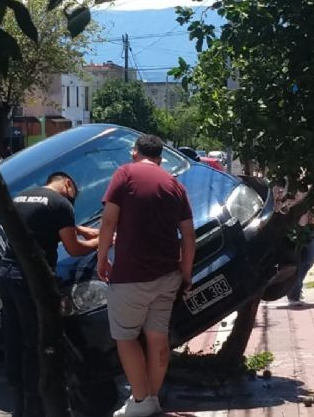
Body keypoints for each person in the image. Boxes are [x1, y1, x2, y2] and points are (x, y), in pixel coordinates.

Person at [97, 135, 196, 417]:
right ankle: (150, 399)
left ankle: (141, 402)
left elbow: (108, 220)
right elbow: (188, 236)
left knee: (126, 338)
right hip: (167, 276)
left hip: (130, 275)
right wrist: (185, 274)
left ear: (134, 153)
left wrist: (102, 259)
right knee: (157, 338)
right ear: (160, 158)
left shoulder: (125, 174)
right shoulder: (175, 185)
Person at [0, 172, 99, 417]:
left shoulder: (22, 197)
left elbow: (57, 227)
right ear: (67, 183)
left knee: (14, 339)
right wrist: (103, 241)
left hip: (6, 273)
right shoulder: (61, 204)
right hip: (31, 279)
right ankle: (36, 406)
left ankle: (18, 405)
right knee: (37, 341)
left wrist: (88, 232)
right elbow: (74, 248)